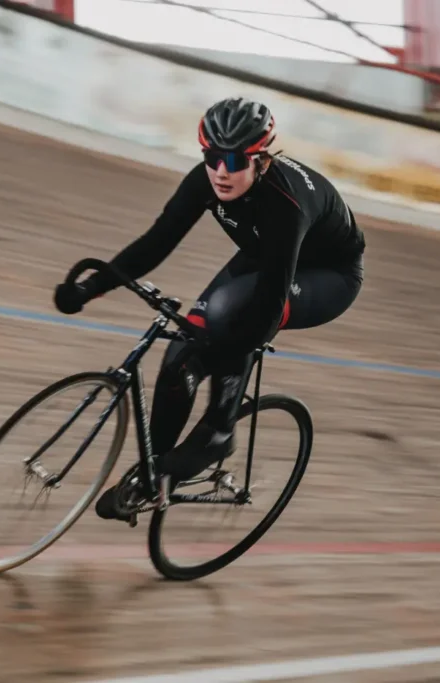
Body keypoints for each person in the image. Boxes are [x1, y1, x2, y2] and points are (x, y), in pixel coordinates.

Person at [53, 96, 365, 522]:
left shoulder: (284, 205)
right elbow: (155, 244)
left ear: (261, 161)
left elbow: (267, 308)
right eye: (212, 157)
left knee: (231, 317)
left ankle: (218, 431)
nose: (221, 171)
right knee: (180, 355)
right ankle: (153, 477)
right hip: (266, 253)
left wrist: (218, 351)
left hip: (328, 275)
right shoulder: (206, 180)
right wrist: (90, 288)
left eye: (234, 160)